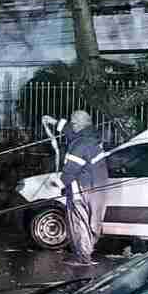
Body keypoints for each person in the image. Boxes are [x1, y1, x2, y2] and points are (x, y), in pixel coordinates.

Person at [57, 109, 108, 267]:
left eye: (73, 122)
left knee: (79, 221)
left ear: (78, 124)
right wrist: (54, 122)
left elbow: (70, 170)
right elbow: (71, 133)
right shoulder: (92, 137)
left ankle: (83, 257)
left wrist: (59, 184)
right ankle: (87, 251)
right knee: (93, 220)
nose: (71, 125)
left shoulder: (79, 145)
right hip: (98, 187)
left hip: (82, 188)